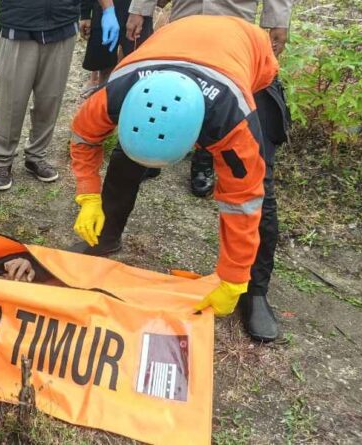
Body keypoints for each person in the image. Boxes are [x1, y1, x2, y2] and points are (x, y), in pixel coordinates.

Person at [69, 16, 282, 339]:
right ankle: (106, 236)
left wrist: (234, 275)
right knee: (125, 160)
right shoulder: (115, 94)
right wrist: (88, 195)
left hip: (249, 57)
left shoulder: (232, 122)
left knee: (259, 183)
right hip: (174, 42)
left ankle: (254, 290)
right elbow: (84, 138)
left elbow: (243, 201)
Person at [125, 0, 292, 198]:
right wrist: (139, 10)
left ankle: (204, 158)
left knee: (218, 94)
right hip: (186, 15)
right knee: (173, 80)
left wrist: (278, 21)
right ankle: (156, 150)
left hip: (233, 19)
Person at [0, 0, 116, 190]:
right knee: (12, 101)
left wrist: (108, 9)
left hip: (62, 25)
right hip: (18, 27)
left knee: (50, 98)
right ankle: (3, 160)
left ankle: (36, 156)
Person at [79, 0, 154, 98]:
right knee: (104, 66)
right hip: (104, 10)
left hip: (137, 12)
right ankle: (103, 97)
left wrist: (139, 11)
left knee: (134, 68)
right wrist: (85, 13)